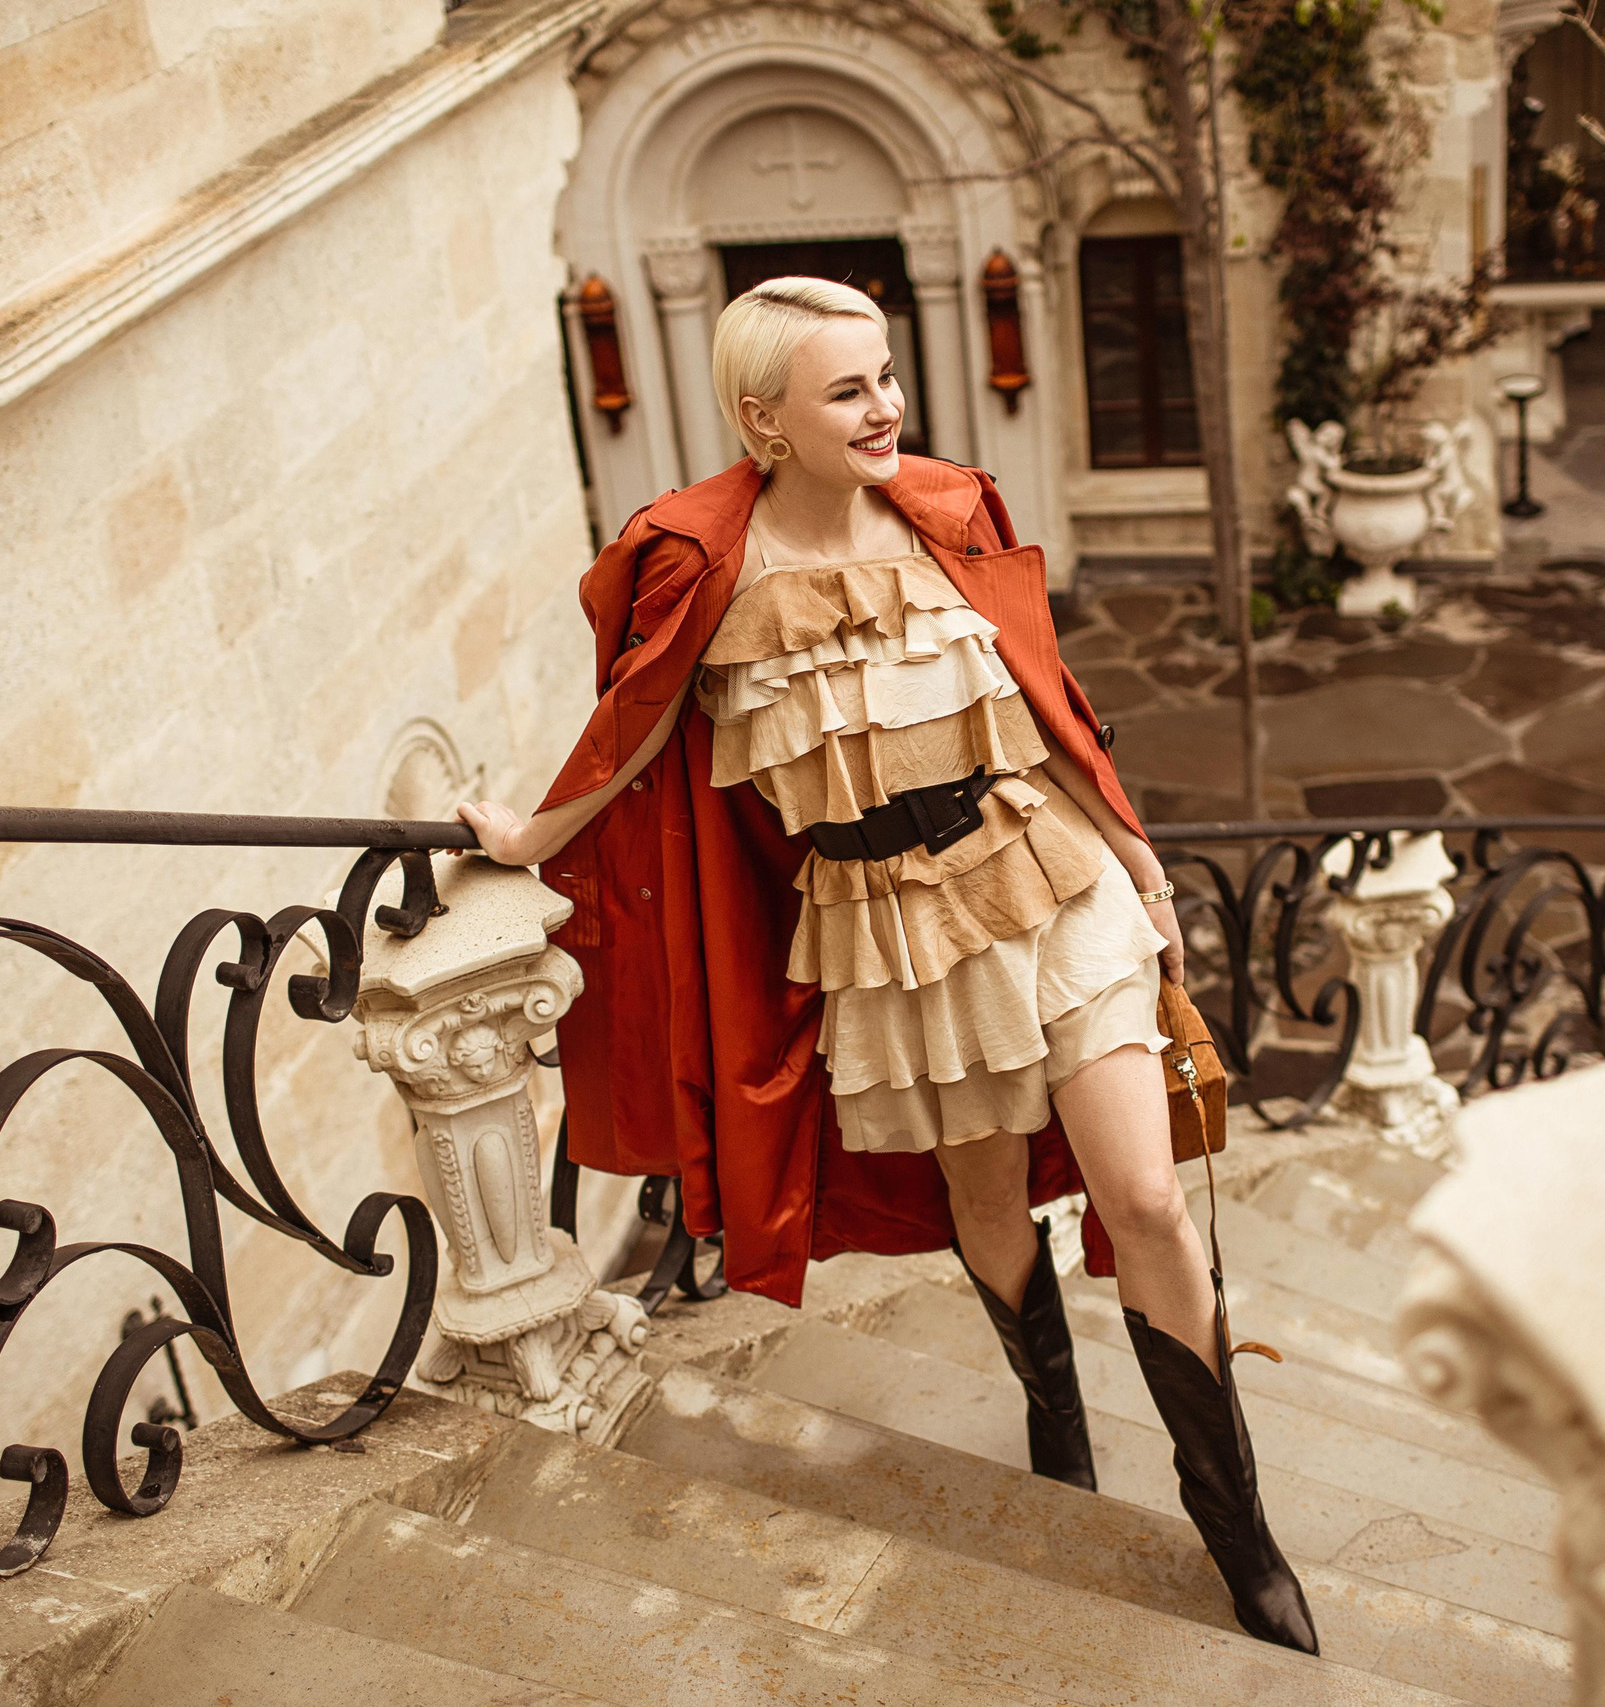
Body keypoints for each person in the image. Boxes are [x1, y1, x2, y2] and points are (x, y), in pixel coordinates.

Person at [456, 277, 1316, 1653]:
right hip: (888, 931)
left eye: (888, 380)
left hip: (1044, 871)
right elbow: (634, 724)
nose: (886, 408)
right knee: (983, 1199)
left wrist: (1144, 869)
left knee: (1148, 1197)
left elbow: (1040, 713)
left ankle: (1240, 1531)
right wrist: (528, 834)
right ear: (764, 419)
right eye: (848, 389)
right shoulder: (706, 570)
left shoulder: (945, 514)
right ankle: (1051, 1402)